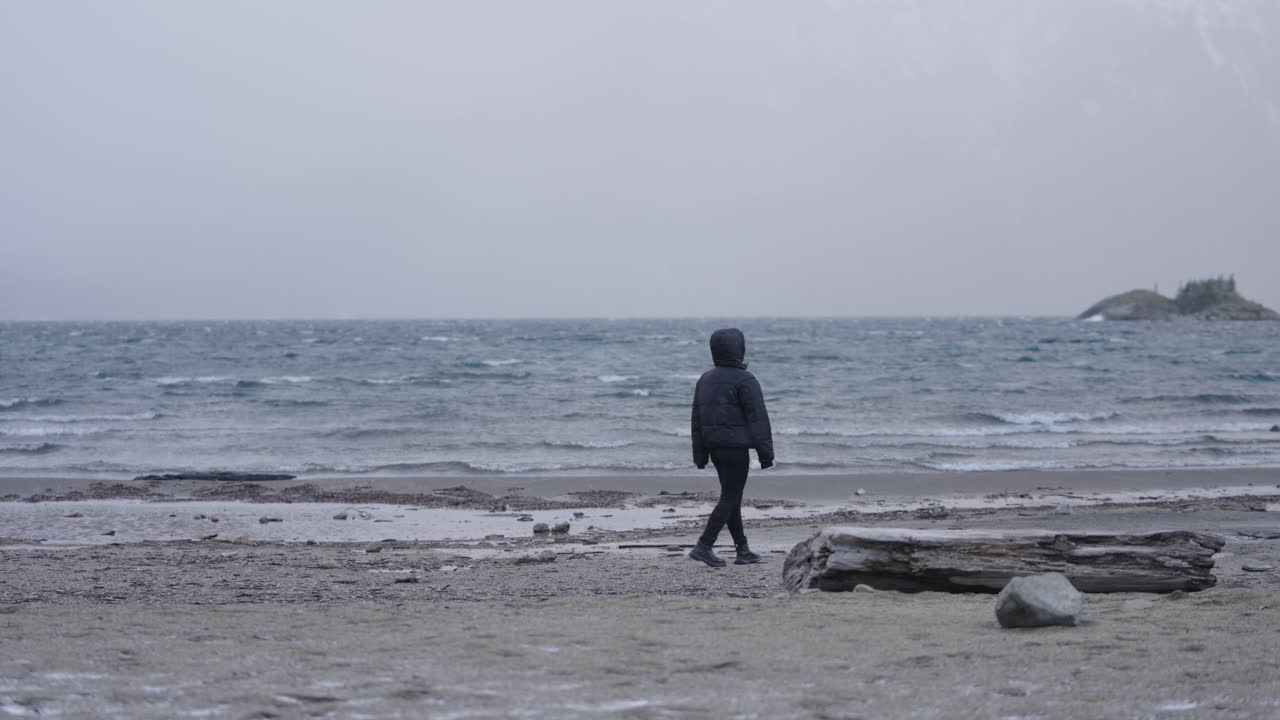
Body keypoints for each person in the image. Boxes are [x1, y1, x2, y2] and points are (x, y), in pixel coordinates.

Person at [688, 328, 774, 567]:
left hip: (715, 448)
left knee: (732, 497)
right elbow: (758, 419)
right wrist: (766, 453)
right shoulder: (746, 379)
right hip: (736, 450)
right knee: (730, 497)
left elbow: (697, 420)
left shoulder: (705, 379)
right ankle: (704, 545)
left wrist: (700, 454)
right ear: (740, 349)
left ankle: (742, 550)